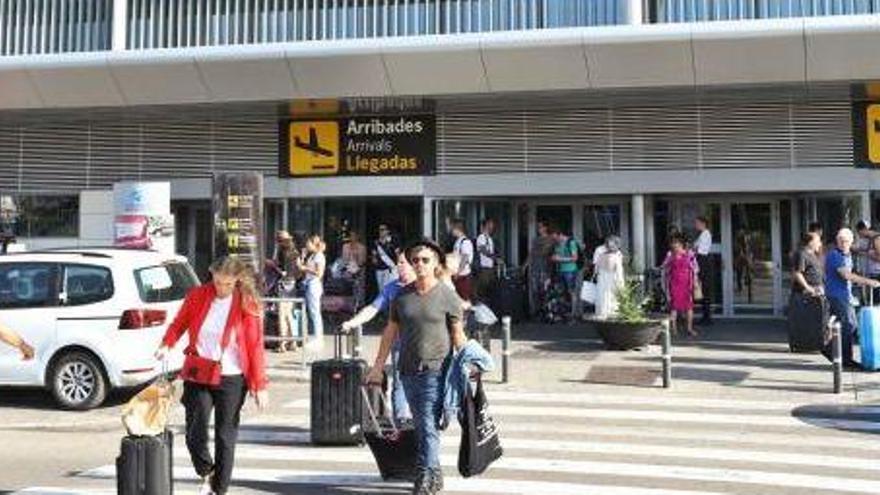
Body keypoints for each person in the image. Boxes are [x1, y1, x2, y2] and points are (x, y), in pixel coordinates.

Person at [154, 257, 268, 495]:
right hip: (199, 371)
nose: (222, 288)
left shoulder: (246, 302)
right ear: (212, 275)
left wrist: (260, 384)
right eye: (218, 282)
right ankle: (207, 470)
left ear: (237, 280)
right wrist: (167, 343)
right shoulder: (198, 295)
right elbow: (179, 323)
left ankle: (219, 489)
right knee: (195, 430)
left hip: (232, 377)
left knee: (225, 435)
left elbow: (255, 345)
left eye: (228, 284)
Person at [365, 241, 466, 495]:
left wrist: (468, 364)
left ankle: (423, 477)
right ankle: (435, 472)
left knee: (427, 423)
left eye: (425, 260)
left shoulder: (447, 296)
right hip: (407, 370)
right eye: (415, 260)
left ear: (436, 264)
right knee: (423, 424)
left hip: (436, 370)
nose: (419, 264)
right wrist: (378, 366)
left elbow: (458, 335)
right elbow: (390, 331)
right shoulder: (401, 296)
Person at [341, 253, 416, 423]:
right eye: (398, 263)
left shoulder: (422, 285)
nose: (400, 266)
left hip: (422, 345)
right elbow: (373, 308)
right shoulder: (392, 287)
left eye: (404, 262)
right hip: (399, 344)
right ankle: (401, 422)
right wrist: (353, 322)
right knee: (399, 384)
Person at [823, 228, 880, 369]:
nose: (844, 243)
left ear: (851, 242)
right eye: (841, 241)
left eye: (846, 241)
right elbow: (845, 275)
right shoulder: (835, 255)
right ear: (837, 241)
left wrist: (858, 281)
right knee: (849, 325)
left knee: (848, 325)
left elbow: (849, 275)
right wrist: (867, 281)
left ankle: (831, 350)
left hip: (845, 295)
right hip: (837, 295)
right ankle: (844, 359)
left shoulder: (847, 255)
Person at [663, 234, 699, 338]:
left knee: (689, 307)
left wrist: (695, 282)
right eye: (673, 243)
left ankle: (689, 328)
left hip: (687, 284)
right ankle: (673, 329)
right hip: (674, 284)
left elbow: (695, 269)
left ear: (681, 244)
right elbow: (664, 267)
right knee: (674, 307)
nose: (674, 245)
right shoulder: (670, 255)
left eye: (676, 243)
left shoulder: (689, 254)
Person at [297, 235, 327, 351]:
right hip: (309, 283)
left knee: (315, 311)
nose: (306, 246)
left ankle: (319, 338)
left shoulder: (319, 256)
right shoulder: (312, 256)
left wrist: (305, 269)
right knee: (312, 311)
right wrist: (303, 258)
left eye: (308, 243)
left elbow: (319, 273)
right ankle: (316, 336)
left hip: (314, 284)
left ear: (313, 244)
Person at [550, 228, 580, 321]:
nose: (554, 239)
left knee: (571, 292)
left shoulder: (571, 242)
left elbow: (575, 258)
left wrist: (560, 259)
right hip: (560, 271)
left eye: (555, 237)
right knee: (561, 293)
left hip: (570, 270)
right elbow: (555, 256)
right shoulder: (557, 244)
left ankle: (573, 315)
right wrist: (554, 258)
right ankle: (563, 314)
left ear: (560, 234)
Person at [593, 235, 625, 320]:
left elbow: (596, 269)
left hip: (602, 281)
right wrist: (621, 285)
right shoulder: (616, 256)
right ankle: (612, 315)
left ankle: (602, 315)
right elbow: (618, 273)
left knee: (603, 298)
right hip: (612, 281)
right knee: (612, 299)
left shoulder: (601, 255)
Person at [527, 221, 554, 318]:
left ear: (545, 228)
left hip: (545, 268)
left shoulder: (550, 239)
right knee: (535, 291)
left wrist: (538, 250)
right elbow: (531, 253)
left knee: (544, 291)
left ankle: (545, 311)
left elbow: (546, 252)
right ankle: (536, 312)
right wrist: (526, 265)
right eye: (538, 227)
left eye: (541, 227)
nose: (539, 229)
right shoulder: (535, 240)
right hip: (535, 268)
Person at [693, 216, 714, 325]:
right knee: (703, 290)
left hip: (704, 262)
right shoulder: (702, 234)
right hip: (702, 261)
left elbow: (699, 250)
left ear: (703, 223)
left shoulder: (706, 234)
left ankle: (707, 317)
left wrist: (694, 249)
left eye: (697, 223)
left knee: (705, 290)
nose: (695, 225)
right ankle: (705, 316)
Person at [340, 231, 368, 309]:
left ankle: (359, 304)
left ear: (357, 237)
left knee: (359, 286)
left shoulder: (362, 247)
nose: (352, 238)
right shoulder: (345, 246)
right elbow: (344, 259)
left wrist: (356, 267)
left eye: (354, 236)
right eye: (351, 236)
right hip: (348, 269)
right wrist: (349, 266)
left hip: (359, 269)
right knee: (347, 284)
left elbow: (362, 261)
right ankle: (348, 304)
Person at [450, 219, 475, 302]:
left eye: (452, 228)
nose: (451, 231)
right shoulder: (458, 241)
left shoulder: (465, 242)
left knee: (464, 298)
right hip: (459, 275)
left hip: (463, 276)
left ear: (457, 229)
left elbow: (464, 258)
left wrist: (458, 273)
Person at [474, 219, 499, 304]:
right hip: (484, 269)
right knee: (482, 291)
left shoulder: (490, 239)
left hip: (490, 269)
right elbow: (483, 250)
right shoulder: (481, 237)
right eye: (490, 224)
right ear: (486, 225)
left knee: (489, 291)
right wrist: (494, 258)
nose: (492, 227)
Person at [372, 224, 400, 293]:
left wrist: (398, 266)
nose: (380, 232)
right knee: (381, 290)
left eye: (383, 230)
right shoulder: (376, 243)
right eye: (379, 230)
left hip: (390, 269)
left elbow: (398, 254)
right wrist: (374, 259)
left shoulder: (393, 241)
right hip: (379, 269)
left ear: (387, 231)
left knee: (389, 289)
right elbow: (374, 255)